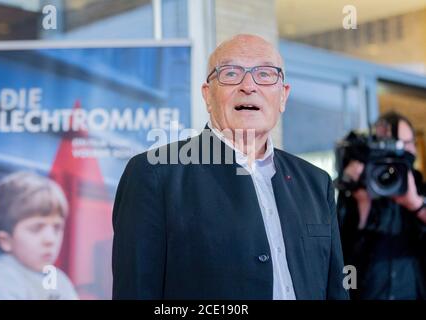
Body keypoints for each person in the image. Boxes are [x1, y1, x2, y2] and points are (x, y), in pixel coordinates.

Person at [112, 34, 349, 300]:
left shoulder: (316, 182)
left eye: (265, 74)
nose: (249, 85)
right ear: (208, 95)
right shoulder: (154, 174)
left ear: (283, 96)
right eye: (231, 73)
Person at [337, 111, 426, 300]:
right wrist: (362, 202)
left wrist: (416, 204)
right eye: (388, 144)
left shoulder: (419, 185)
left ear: (414, 148)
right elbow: (342, 260)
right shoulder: (357, 190)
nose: (396, 151)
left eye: (403, 144)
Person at [0, 171, 78, 300]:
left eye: (57, 228)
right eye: (36, 229)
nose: (51, 239)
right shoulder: (1, 277)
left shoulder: (59, 280)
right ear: (5, 241)